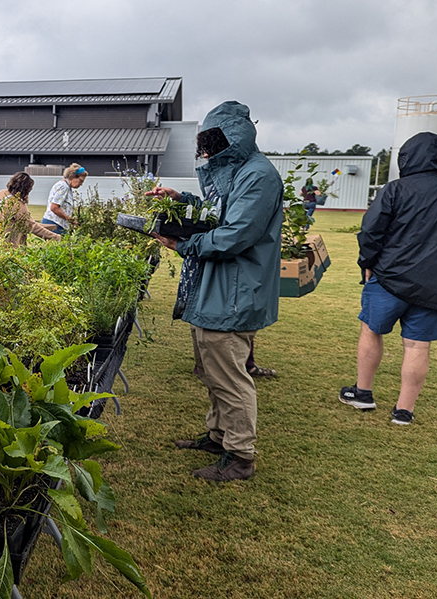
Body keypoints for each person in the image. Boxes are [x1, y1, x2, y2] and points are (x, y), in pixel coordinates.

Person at [148, 101, 283, 482]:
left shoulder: (258, 177)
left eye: (213, 141)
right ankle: (218, 435)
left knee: (229, 376)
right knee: (212, 370)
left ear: (232, 138)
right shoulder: (236, 172)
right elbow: (216, 213)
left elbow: (234, 235)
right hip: (218, 288)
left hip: (235, 290)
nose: (206, 150)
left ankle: (240, 456)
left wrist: (184, 245)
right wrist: (181, 200)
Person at [339, 132, 437, 425]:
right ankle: (404, 411)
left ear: (405, 157)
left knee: (371, 330)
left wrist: (366, 263)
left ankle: (363, 393)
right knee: (418, 345)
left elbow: (371, 231)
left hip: (390, 276)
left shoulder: (394, 189)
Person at [0, 172, 61, 246]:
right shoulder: (18, 205)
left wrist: (52, 227)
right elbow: (32, 227)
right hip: (8, 246)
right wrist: (57, 238)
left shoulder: (0, 194)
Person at [41, 163, 87, 234]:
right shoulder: (63, 187)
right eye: (81, 181)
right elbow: (54, 207)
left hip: (59, 224)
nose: (81, 184)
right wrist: (69, 219)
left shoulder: (67, 187)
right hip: (54, 224)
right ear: (73, 176)